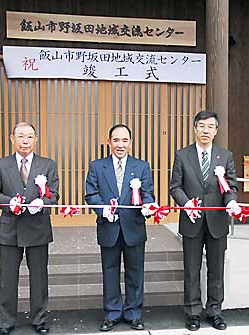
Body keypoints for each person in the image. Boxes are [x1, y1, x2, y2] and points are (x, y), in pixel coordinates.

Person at [170, 110, 240, 331]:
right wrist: (185, 203)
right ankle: (192, 312)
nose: (205, 130)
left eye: (210, 126)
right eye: (201, 125)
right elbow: (175, 187)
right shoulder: (182, 155)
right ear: (194, 128)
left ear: (216, 130)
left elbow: (231, 186)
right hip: (191, 220)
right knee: (191, 269)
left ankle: (215, 311)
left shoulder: (225, 155)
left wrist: (231, 201)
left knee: (216, 268)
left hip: (217, 221)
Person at [0, 122, 59, 335]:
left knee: (39, 278)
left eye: (29, 136)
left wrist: (42, 203)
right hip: (11, 229)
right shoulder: (1, 165)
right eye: (20, 136)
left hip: (38, 228)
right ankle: (6, 322)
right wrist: (8, 202)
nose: (25, 140)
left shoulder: (47, 164)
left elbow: (53, 194)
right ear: (12, 139)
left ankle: (39, 320)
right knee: (7, 279)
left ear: (36, 139)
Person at [85, 124, 155, 332]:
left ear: (130, 143)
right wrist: (103, 210)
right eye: (116, 140)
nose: (120, 145)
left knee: (135, 273)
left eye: (125, 140)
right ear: (109, 142)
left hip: (134, 227)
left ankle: (134, 313)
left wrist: (148, 206)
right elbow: (91, 194)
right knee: (110, 272)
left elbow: (148, 194)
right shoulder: (97, 166)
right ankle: (112, 313)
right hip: (109, 227)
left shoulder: (141, 166)